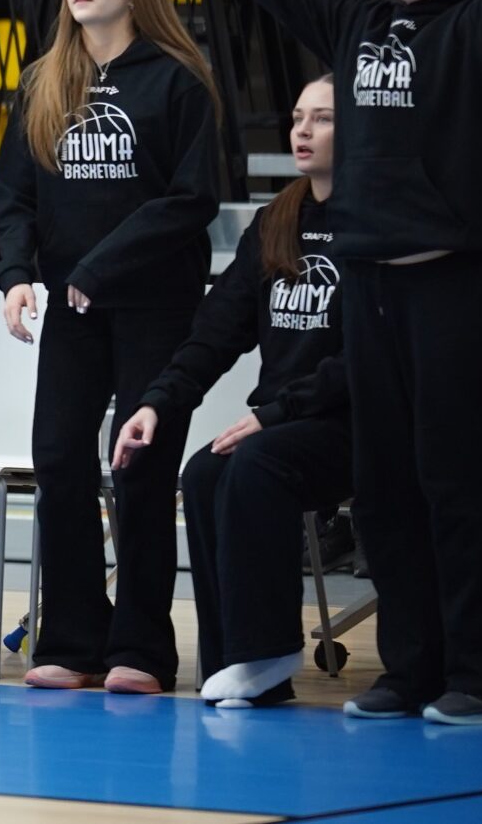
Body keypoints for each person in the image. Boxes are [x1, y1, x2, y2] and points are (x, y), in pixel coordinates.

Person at [200, 0, 482, 725]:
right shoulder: (358, 25)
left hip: (451, 284)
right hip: (369, 287)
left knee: (455, 481)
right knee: (385, 487)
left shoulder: (472, 27)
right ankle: (408, 668)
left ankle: (474, 669)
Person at [0, 0, 223, 696]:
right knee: (59, 460)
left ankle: (144, 648)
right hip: (71, 307)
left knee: (141, 470)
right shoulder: (44, 80)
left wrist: (102, 265)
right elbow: (12, 194)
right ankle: (73, 639)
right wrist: (15, 274)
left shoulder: (178, 80)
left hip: (155, 302)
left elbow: (191, 199)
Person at [111, 75, 351, 709]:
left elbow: (371, 357)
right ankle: (234, 663)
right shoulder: (278, 221)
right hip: (287, 423)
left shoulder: (377, 223)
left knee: (255, 464)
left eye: (323, 118)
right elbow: (215, 333)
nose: (302, 130)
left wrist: (276, 414)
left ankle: (266, 650)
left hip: (359, 420)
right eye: (297, 117)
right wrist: (157, 403)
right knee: (205, 472)